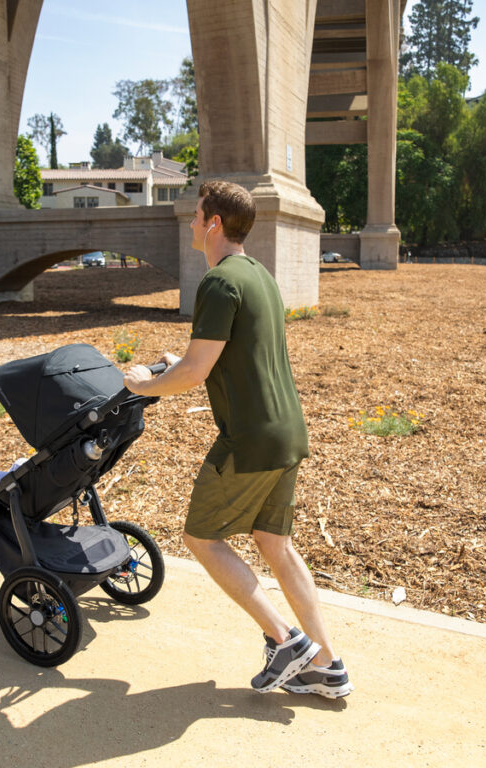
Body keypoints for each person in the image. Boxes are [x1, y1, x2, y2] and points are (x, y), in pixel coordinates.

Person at [123, 180, 352, 699]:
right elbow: (226, 351)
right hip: (287, 431)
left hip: (248, 438)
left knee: (201, 538)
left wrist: (144, 384)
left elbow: (197, 370)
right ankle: (327, 665)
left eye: (196, 214)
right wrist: (168, 364)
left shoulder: (219, 282)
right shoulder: (259, 277)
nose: (190, 222)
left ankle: (286, 641)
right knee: (276, 546)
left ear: (214, 224)